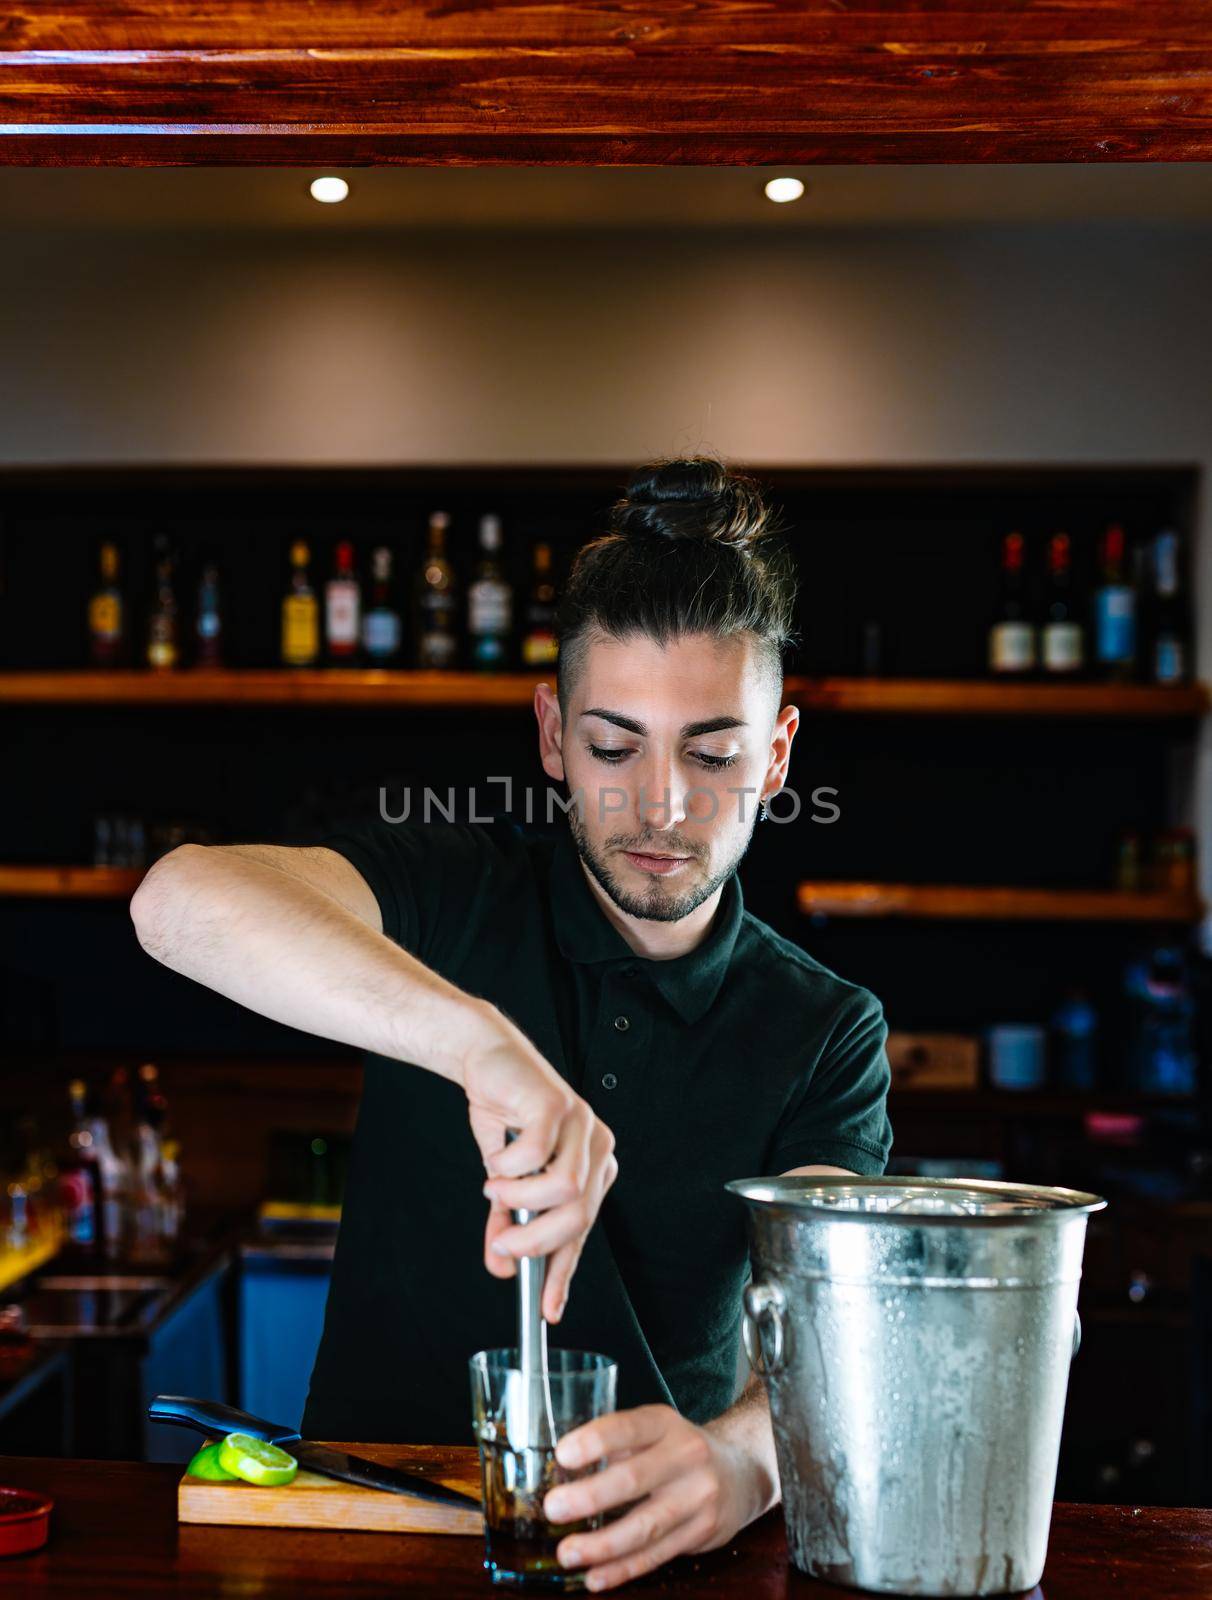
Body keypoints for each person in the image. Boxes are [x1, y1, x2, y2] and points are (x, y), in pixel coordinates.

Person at [130, 454, 892, 1591]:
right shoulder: (452, 895)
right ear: (550, 736)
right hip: (360, 1544)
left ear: (777, 756)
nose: (662, 805)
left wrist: (745, 1462)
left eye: (714, 753)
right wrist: (478, 1043)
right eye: (612, 745)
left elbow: (840, 1335)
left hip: (640, 1553)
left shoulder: (825, 1028)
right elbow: (176, 901)